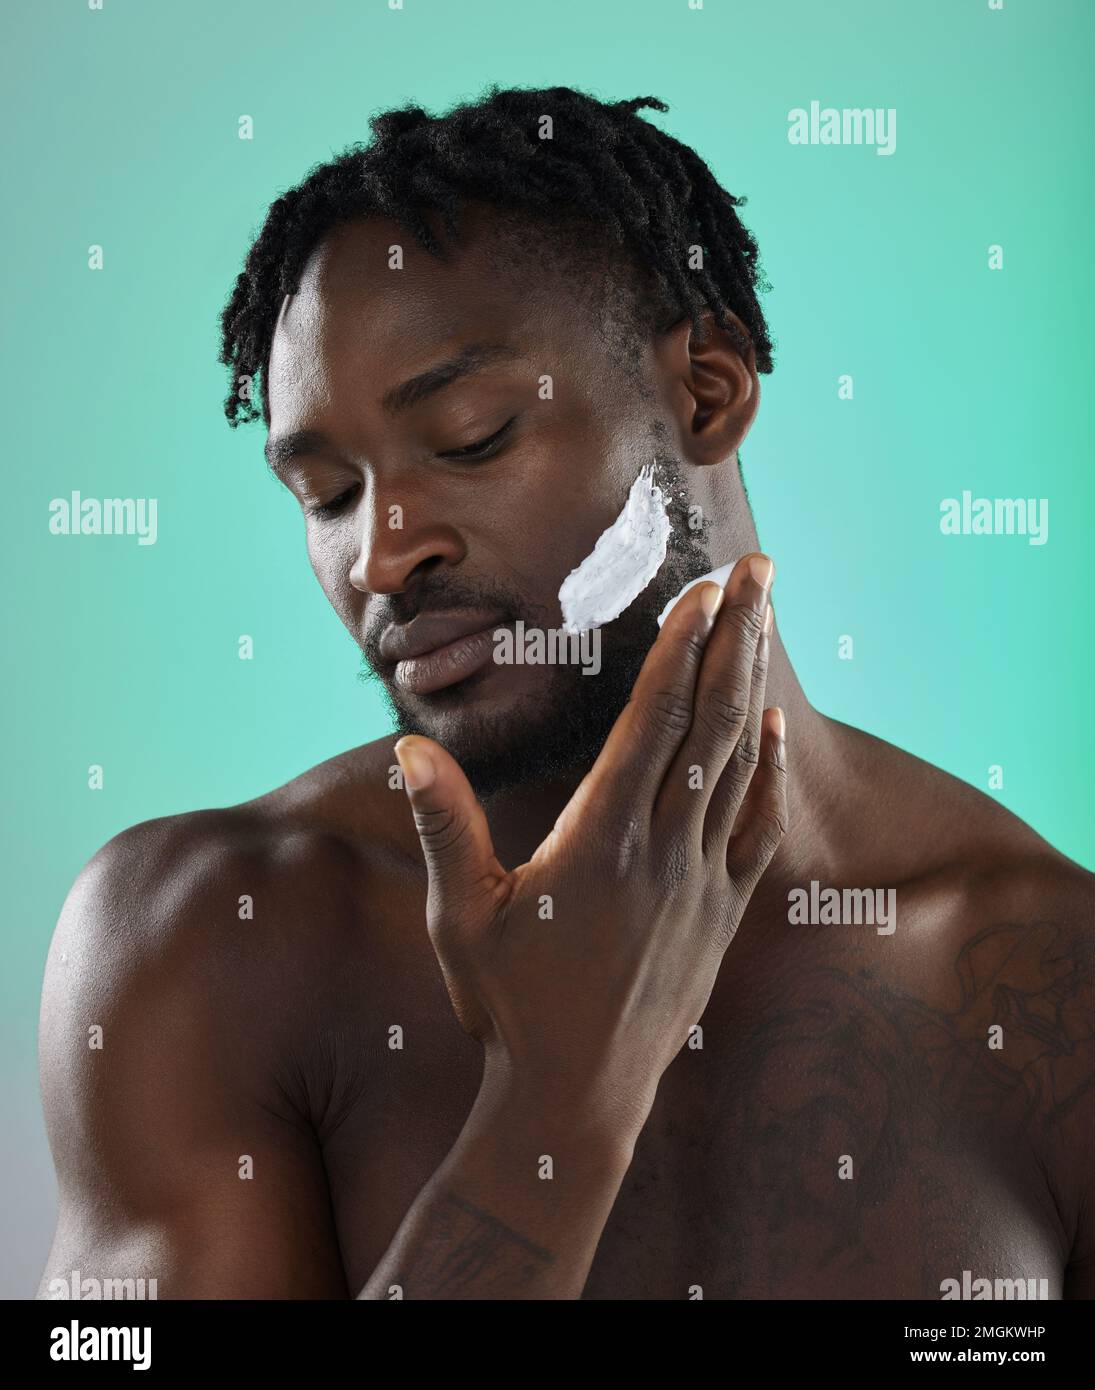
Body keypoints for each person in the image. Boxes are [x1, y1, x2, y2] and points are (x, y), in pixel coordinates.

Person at [38, 86, 1095, 1300]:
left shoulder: (1050, 986)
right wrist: (557, 1102)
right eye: (328, 494)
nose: (381, 555)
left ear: (706, 392)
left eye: (472, 437)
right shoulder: (202, 945)